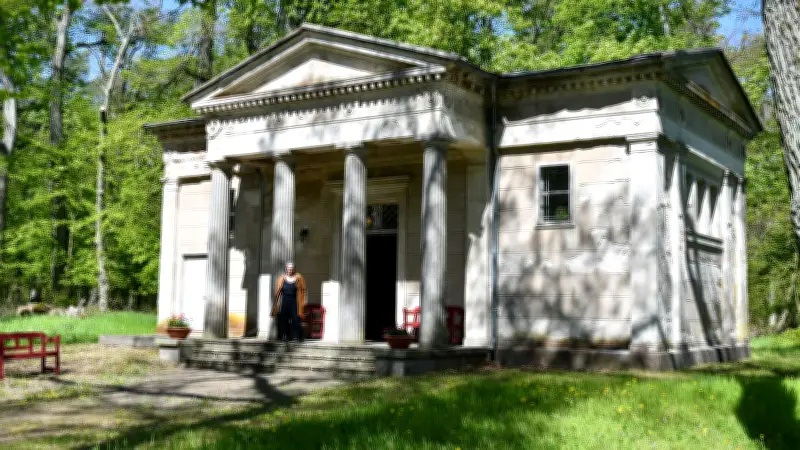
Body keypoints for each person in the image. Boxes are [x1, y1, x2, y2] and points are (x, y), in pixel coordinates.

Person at [271, 262, 307, 342]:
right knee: (284, 319)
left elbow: (303, 290)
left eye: (291, 268)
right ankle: (285, 336)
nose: (290, 270)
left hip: (295, 301)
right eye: (289, 268)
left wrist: (303, 302)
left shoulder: (299, 277)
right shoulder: (282, 278)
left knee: (295, 318)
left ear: (294, 269)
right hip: (284, 301)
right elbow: (277, 290)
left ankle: (295, 336)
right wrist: (276, 302)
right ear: (286, 269)